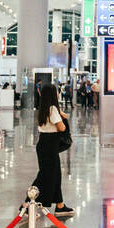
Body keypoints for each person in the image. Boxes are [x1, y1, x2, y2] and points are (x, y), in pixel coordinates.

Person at [34, 84, 73, 217]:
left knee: (55, 175)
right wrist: (64, 117)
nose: (57, 93)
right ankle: (27, 204)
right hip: (50, 146)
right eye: (56, 91)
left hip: (44, 144)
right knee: (44, 176)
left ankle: (60, 205)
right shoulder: (53, 109)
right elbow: (61, 128)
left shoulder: (43, 108)